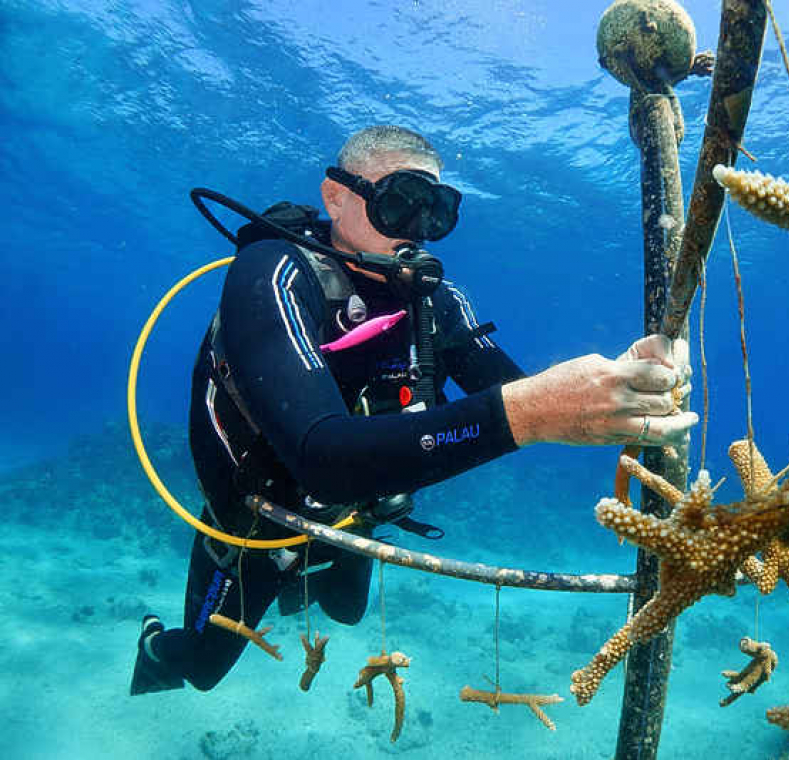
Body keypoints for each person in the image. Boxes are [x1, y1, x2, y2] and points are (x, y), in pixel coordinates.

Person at [130, 125, 696, 695]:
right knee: (202, 670)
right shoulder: (273, 273)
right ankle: (155, 642)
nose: (418, 233)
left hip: (354, 511)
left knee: (346, 611)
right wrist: (533, 413)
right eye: (399, 203)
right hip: (258, 518)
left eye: (436, 212)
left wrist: (618, 378)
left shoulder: (435, 302)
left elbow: (524, 390)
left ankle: (299, 580)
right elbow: (321, 456)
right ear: (337, 197)